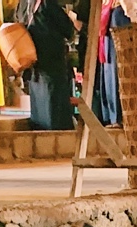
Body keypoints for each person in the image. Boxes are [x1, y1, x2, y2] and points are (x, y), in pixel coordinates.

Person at [24, 0, 79, 130]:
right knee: (55, 108)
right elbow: (68, 29)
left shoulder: (25, 5)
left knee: (39, 106)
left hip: (34, 65)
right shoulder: (48, 5)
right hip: (52, 63)